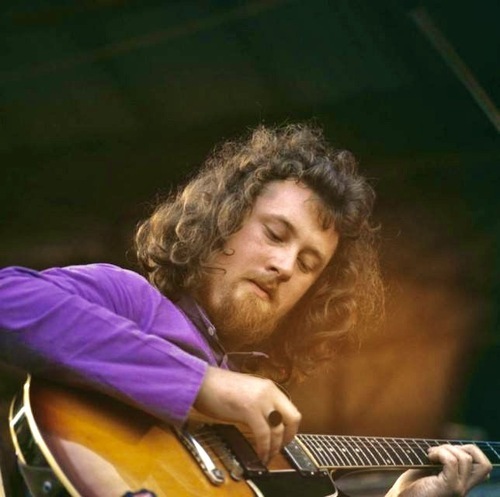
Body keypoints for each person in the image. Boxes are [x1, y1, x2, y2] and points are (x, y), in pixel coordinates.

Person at [0, 124, 492, 496]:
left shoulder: (261, 412)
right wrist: (203, 385)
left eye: (308, 264)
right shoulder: (133, 300)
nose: (285, 266)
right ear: (223, 221)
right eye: (275, 234)